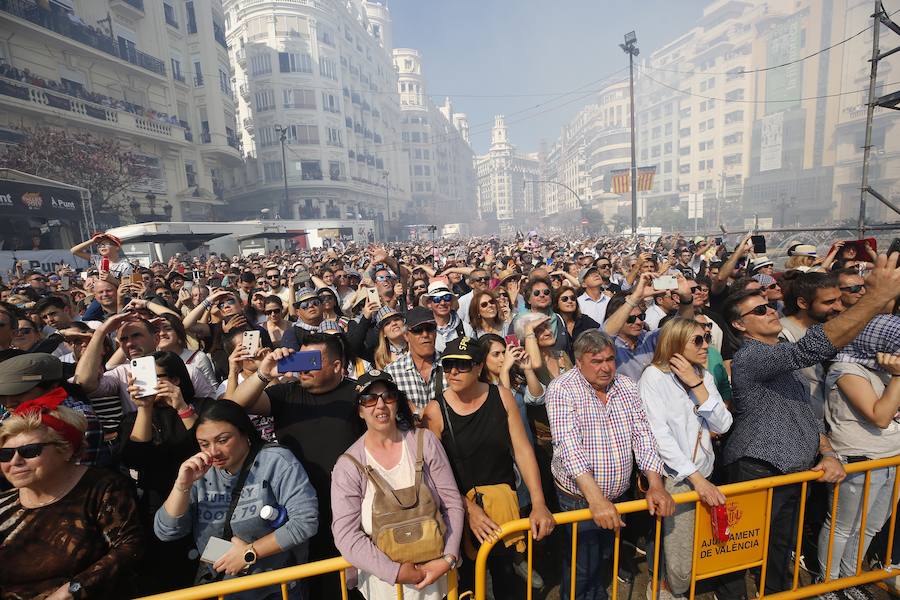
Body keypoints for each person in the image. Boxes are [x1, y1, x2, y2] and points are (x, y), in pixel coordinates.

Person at [718, 251, 900, 597]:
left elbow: (804, 414)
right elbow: (809, 350)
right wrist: (876, 299)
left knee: (779, 549)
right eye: (759, 310)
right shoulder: (750, 357)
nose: (771, 311)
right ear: (740, 325)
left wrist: (827, 453)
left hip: (793, 471)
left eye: (769, 306)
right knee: (740, 552)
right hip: (757, 469)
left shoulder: (781, 356)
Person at [230, 333, 362, 598]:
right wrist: (264, 373)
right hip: (298, 516)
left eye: (311, 360)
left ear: (337, 366)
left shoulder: (359, 394)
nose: (302, 367)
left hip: (351, 515)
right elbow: (234, 407)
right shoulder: (285, 393)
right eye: (298, 358)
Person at [421, 336, 555, 596]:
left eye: (462, 365)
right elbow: (430, 475)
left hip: (503, 512)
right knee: (469, 587)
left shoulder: (501, 397)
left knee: (508, 583)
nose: (453, 372)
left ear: (479, 367)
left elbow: (522, 451)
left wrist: (538, 503)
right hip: (457, 518)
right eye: (448, 365)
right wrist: (468, 510)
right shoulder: (435, 411)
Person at [545, 329, 674, 600]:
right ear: (578, 362)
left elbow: (643, 437)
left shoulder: (626, 386)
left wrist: (655, 485)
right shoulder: (562, 389)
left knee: (604, 555)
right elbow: (569, 447)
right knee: (582, 564)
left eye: (610, 359)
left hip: (617, 496)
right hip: (579, 498)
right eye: (597, 361)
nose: (606, 368)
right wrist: (596, 500)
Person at [154, 401, 318, 596]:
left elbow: (305, 521)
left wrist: (250, 553)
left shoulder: (275, 461)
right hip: (221, 588)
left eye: (223, 440)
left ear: (244, 432)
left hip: (276, 589)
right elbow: (167, 531)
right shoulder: (199, 471)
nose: (213, 451)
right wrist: (182, 485)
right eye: (204, 444)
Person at [331, 370, 465, 599]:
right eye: (369, 399)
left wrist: (448, 558)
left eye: (388, 396)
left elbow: (452, 503)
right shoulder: (349, 465)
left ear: (397, 402)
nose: (380, 405)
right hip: (384, 587)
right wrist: (395, 572)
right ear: (360, 410)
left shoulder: (425, 441)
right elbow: (346, 534)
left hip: (438, 580)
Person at [0, 397, 144, 598]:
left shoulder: (104, 488)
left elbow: (130, 547)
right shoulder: (3, 502)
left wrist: (76, 588)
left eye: (30, 451)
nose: (15, 461)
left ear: (66, 449)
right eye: (5, 454)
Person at [639, 318, 733, 598]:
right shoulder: (653, 377)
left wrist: (696, 385)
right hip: (675, 477)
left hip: (704, 471)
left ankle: (674, 587)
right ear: (676, 343)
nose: (707, 345)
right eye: (698, 340)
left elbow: (723, 425)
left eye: (707, 337)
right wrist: (696, 479)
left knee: (691, 542)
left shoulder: (702, 376)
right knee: (675, 547)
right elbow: (660, 436)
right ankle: (664, 588)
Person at [120, 350, 214, 593]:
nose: (151, 382)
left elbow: (207, 449)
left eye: (158, 377)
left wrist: (182, 407)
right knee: (170, 576)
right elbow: (135, 459)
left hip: (209, 501)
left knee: (212, 569)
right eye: (144, 377)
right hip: (159, 506)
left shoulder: (204, 408)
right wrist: (144, 408)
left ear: (176, 380)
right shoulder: (135, 417)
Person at [817, 315, 900, 583]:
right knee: (843, 527)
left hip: (891, 458)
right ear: (879, 341)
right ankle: (828, 583)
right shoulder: (846, 368)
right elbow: (880, 416)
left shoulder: (880, 368)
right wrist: (898, 376)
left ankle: (850, 578)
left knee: (871, 526)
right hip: (859, 458)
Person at [385, 307, 443, 415]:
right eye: (418, 330)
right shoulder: (392, 373)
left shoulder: (450, 365)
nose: (425, 334)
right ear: (406, 336)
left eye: (430, 328)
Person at [155, 312, 218, 392]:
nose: (162, 333)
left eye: (168, 329)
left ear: (179, 333)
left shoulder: (198, 357)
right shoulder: (151, 360)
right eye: (157, 330)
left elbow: (213, 390)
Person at [555, 287, 600, 361]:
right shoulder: (554, 323)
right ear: (557, 304)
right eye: (564, 299)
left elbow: (601, 334)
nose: (570, 301)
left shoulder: (584, 320)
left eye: (573, 298)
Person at [425, 281, 463, 353]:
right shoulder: (424, 331)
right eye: (437, 299)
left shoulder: (464, 328)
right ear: (429, 304)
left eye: (446, 298)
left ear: (451, 301)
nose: (442, 303)